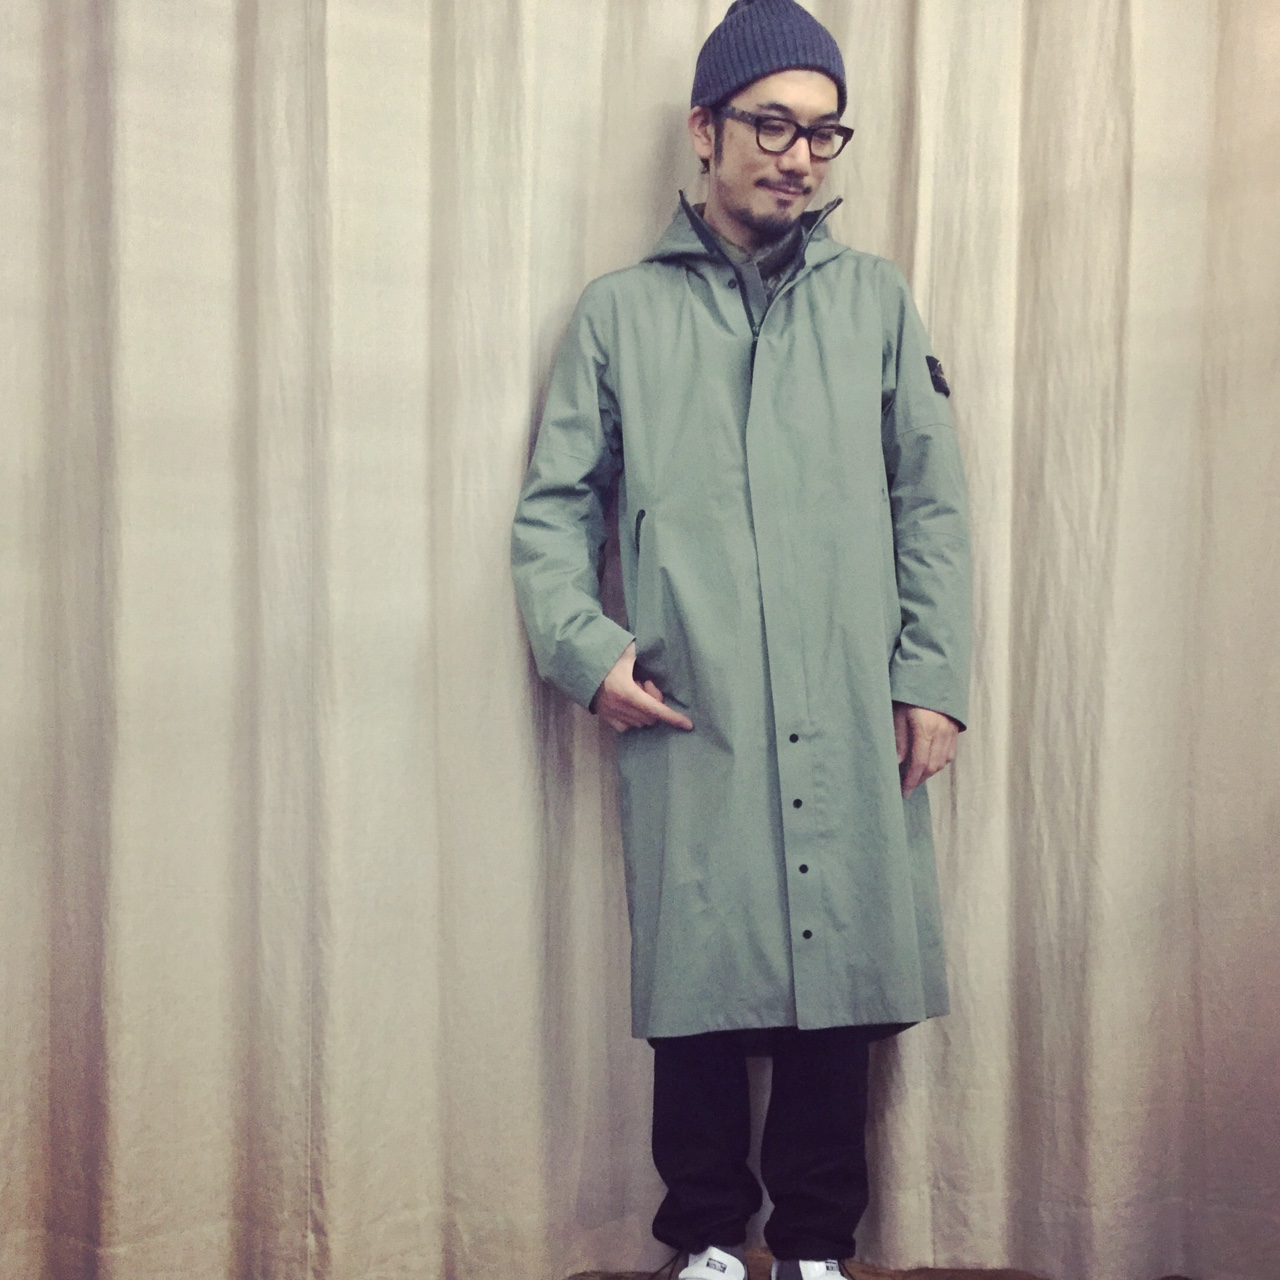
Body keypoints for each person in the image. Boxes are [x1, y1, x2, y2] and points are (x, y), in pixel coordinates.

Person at [511, 1, 971, 1277]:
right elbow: (553, 509)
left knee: (842, 972)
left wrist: (931, 677)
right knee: (700, 970)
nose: (797, 156)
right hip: (693, 694)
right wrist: (586, 649)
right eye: (771, 124)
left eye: (822, 133)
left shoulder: (873, 302)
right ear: (704, 128)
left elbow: (930, 503)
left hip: (846, 687)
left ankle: (817, 1243)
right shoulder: (618, 314)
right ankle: (707, 1237)